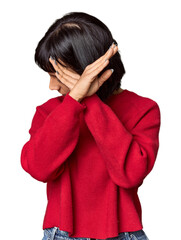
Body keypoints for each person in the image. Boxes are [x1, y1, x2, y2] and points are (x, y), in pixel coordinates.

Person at [20, 12, 161, 240]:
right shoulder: (49, 112)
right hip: (61, 233)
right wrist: (73, 101)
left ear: (87, 67)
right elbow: (38, 168)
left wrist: (89, 100)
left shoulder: (144, 109)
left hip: (123, 234)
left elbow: (131, 174)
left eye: (59, 75)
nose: (52, 85)